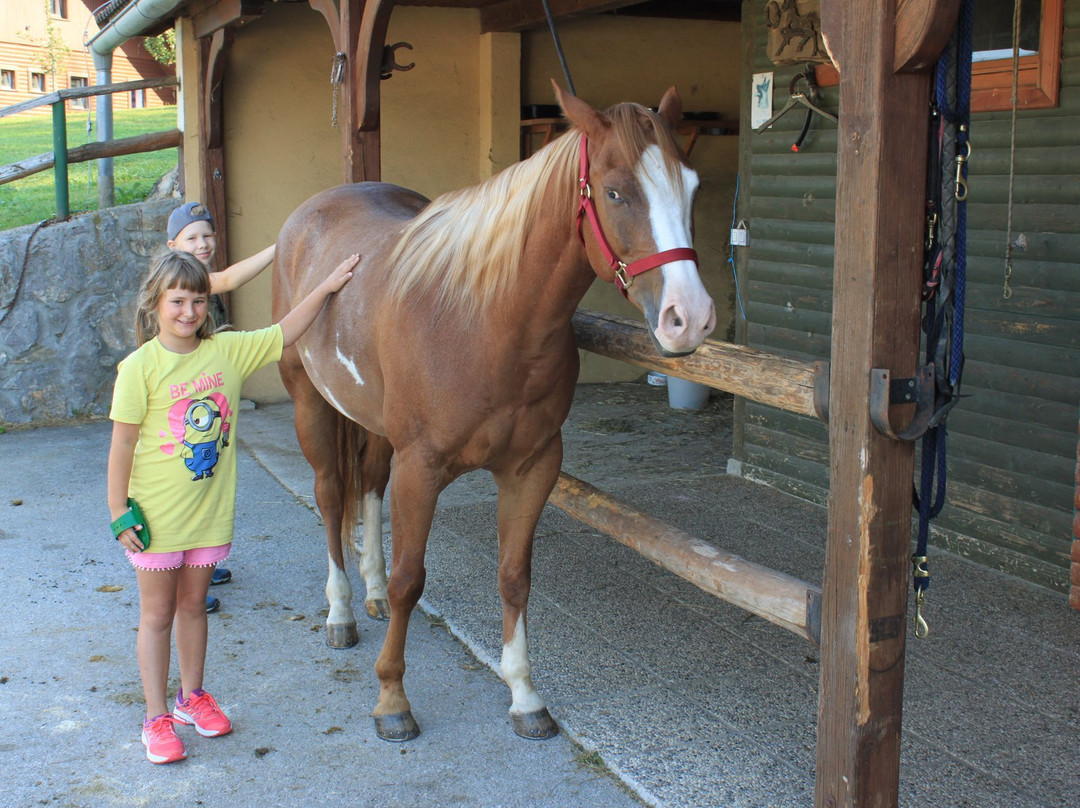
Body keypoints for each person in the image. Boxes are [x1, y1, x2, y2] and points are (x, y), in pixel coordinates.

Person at [107, 249, 358, 764]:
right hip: (154, 520)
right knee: (156, 615)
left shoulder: (228, 351)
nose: (189, 311)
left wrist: (328, 284)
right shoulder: (138, 367)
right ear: (155, 303)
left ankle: (190, 697)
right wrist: (119, 513)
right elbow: (123, 446)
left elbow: (286, 330)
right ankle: (155, 717)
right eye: (177, 301)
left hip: (208, 516)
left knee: (194, 607)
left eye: (199, 300)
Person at [166, 201, 276, 611]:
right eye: (192, 237)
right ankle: (182, 582)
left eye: (208, 235)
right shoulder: (181, 280)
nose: (203, 243)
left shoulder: (192, 275)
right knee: (187, 485)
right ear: (172, 244)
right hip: (179, 402)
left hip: (200, 398)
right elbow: (228, 279)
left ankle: (200, 565)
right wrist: (278, 248)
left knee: (204, 481)